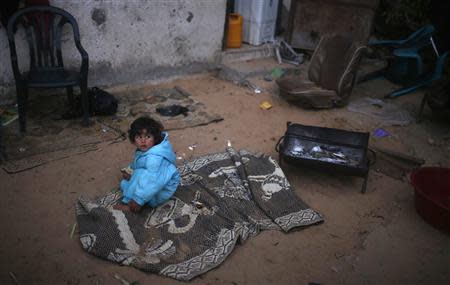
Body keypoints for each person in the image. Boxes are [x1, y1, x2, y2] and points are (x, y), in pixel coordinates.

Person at [113, 116, 180, 212]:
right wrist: (131, 170)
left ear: (155, 138)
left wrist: (138, 200)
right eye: (139, 137)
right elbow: (139, 162)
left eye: (148, 137)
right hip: (156, 180)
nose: (143, 141)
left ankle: (132, 204)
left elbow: (152, 181)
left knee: (143, 177)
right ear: (133, 139)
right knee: (134, 178)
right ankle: (136, 190)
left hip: (161, 189)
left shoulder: (154, 159)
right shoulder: (147, 150)